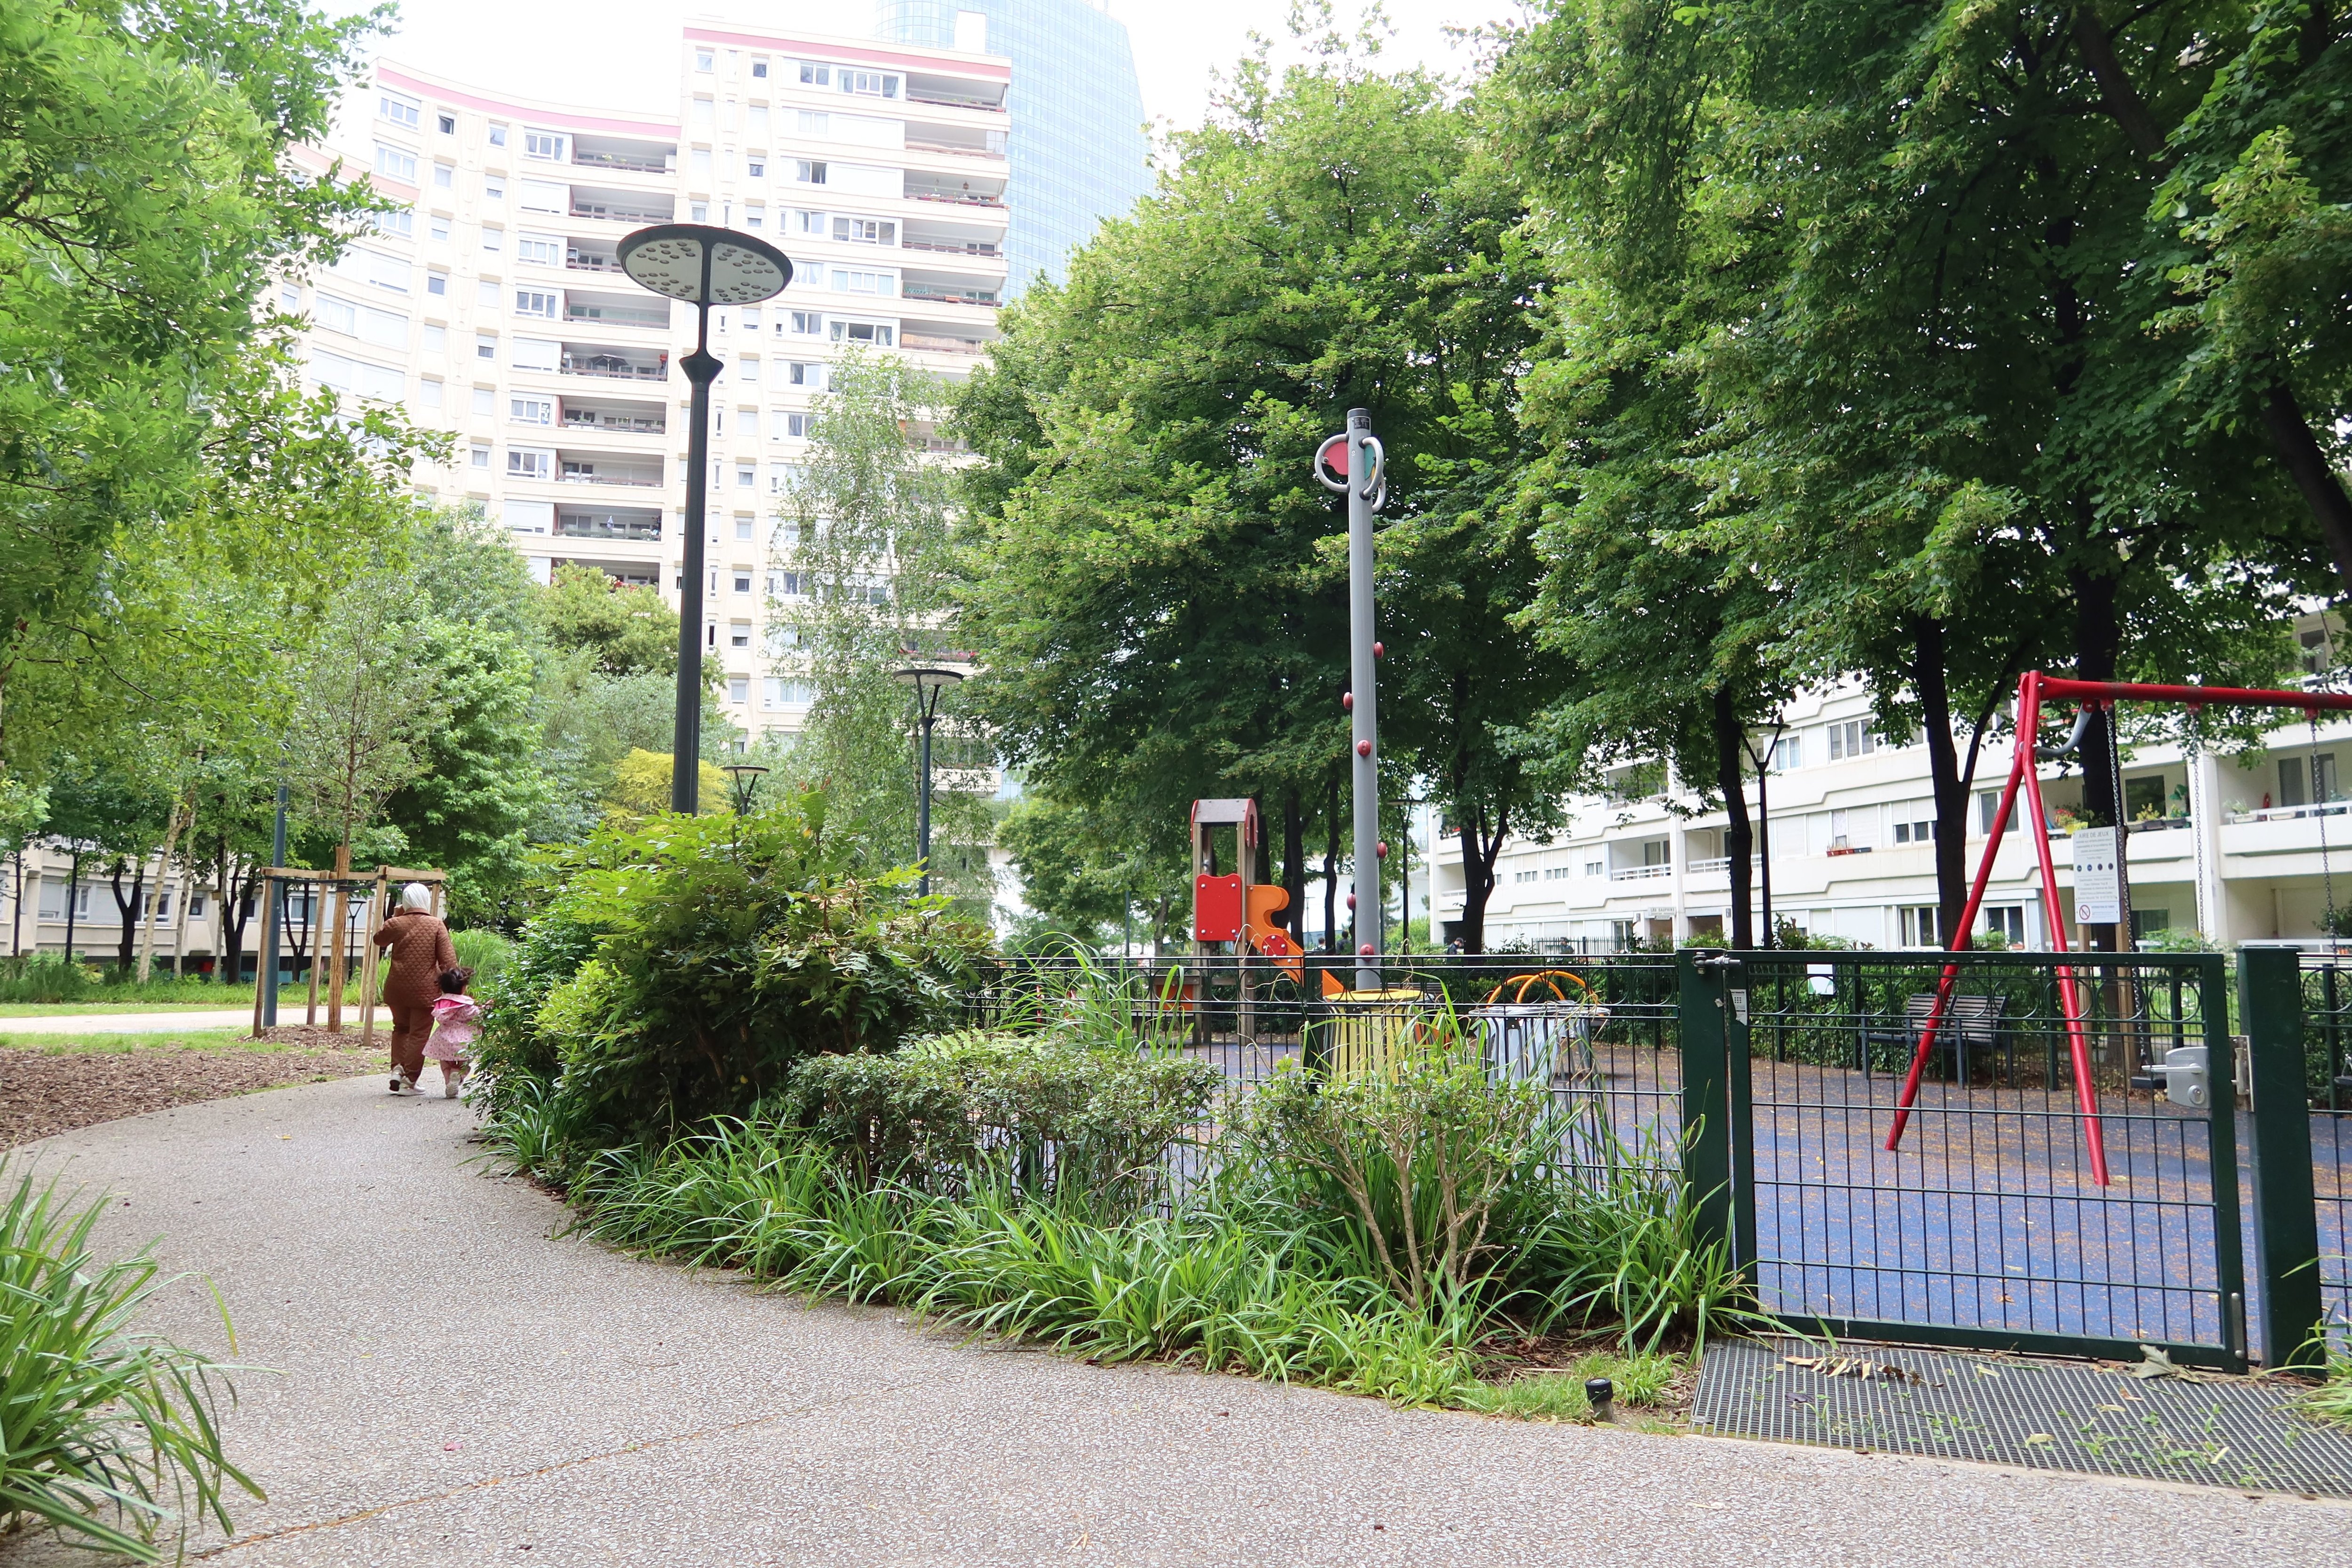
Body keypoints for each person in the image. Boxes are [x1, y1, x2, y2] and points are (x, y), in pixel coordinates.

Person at [373, 883, 455, 1095]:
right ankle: (409, 1080)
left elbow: (378, 940)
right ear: (426, 900)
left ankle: (397, 1070)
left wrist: (396, 916)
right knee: (419, 1033)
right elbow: (448, 962)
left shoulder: (396, 924)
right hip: (425, 991)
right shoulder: (436, 924)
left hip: (396, 989)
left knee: (400, 1029)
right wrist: (453, 989)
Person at [425, 966, 482, 1099]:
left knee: (445, 1061)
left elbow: (439, 1018)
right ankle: (459, 1075)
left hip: (443, 1039)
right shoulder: (466, 1004)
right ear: (463, 988)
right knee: (464, 1062)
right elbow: (477, 1015)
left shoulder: (441, 1004)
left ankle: (448, 1081)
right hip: (464, 1039)